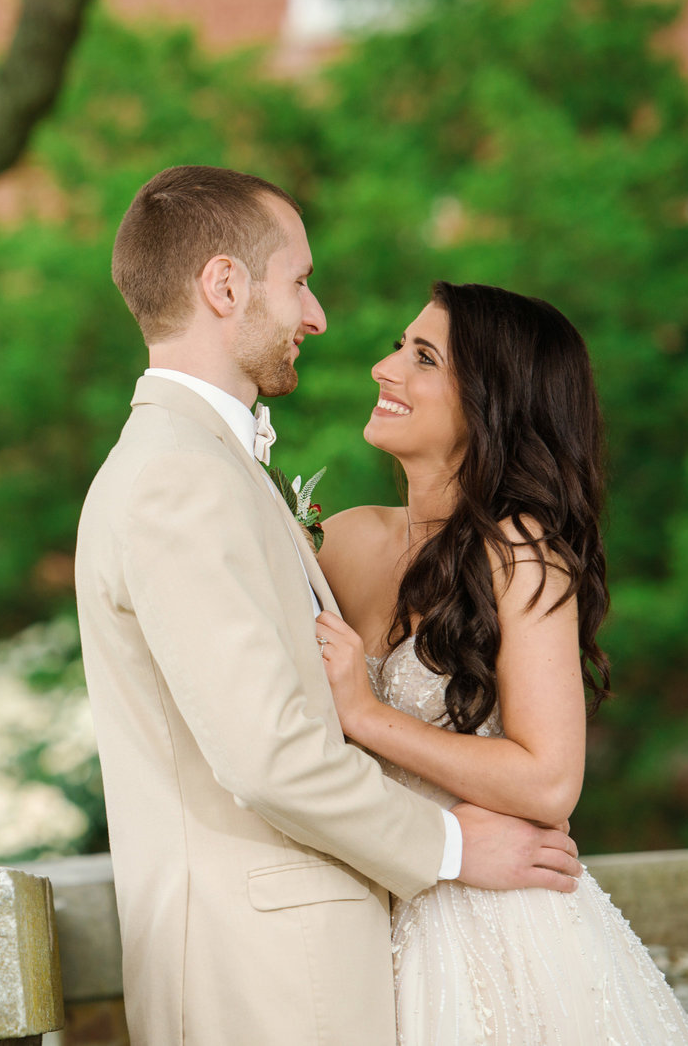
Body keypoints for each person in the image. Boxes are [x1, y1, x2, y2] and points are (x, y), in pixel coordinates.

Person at [74, 166, 582, 1046]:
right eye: (299, 282)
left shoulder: (208, 472)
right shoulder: (178, 481)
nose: (318, 317)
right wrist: (455, 848)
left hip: (370, 952)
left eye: (424, 356)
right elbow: (271, 755)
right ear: (225, 286)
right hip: (270, 975)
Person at [313, 281, 688, 1044]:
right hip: (364, 917)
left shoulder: (520, 554)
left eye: (422, 357)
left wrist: (366, 715)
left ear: (490, 403)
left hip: (489, 931)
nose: (384, 370)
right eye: (399, 346)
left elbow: (551, 782)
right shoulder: (345, 542)